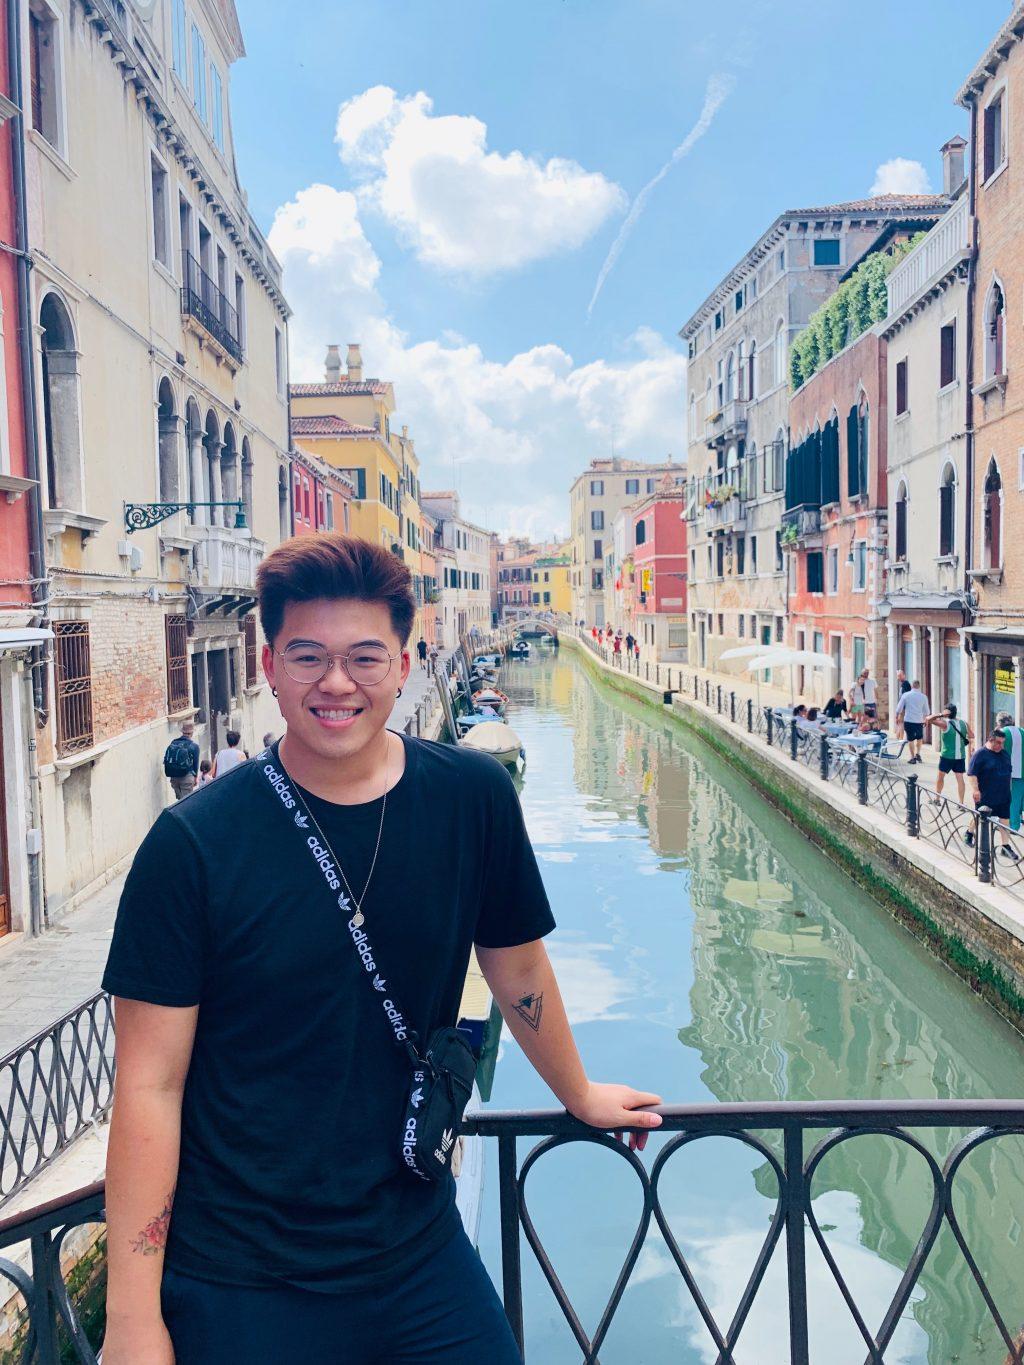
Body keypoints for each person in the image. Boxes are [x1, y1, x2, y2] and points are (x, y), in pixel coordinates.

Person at [101, 534, 661, 1365]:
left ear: (405, 662)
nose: (336, 682)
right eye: (308, 656)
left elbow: (518, 969)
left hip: (418, 1254)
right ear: (268, 665)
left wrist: (577, 1091)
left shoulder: (473, 799)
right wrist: (132, 1320)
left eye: (365, 656)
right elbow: (149, 1082)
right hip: (241, 1276)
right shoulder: (191, 847)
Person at [966, 730, 1019, 859]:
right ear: (990, 740)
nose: (1001, 746)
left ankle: (1005, 847)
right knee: (979, 816)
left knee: (1004, 819)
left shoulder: (1004, 754)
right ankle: (969, 833)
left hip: (1004, 794)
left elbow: (1009, 773)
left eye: (1003, 743)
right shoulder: (980, 754)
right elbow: (972, 774)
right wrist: (975, 790)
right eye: (998, 743)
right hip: (986, 794)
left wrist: (1009, 791)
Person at [926, 703, 972, 804]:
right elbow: (972, 735)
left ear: (947, 713)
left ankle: (937, 799)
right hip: (960, 756)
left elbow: (928, 719)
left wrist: (940, 714)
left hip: (947, 756)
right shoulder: (964, 723)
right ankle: (961, 803)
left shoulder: (945, 724)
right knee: (960, 779)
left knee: (940, 777)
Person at [996, 712, 1024, 832]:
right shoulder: (1022, 731)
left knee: (1011, 799)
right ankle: (1017, 819)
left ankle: (1012, 826)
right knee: (1019, 797)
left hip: (1010, 771)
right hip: (1022, 770)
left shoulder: (1002, 733)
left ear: (999, 723)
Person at [894, 679, 930, 764]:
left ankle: (912, 757)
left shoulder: (906, 695)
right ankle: (918, 753)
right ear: (919, 686)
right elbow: (927, 712)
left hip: (909, 720)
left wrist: (896, 716)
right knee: (919, 738)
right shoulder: (923, 696)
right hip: (919, 720)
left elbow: (899, 708)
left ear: (911, 686)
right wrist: (925, 719)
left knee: (910, 739)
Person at [162, 721, 199, 801]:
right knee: (186, 803)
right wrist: (195, 778)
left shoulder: (174, 742)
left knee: (180, 802)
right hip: (187, 778)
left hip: (174, 777)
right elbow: (195, 764)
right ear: (191, 733)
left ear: (182, 732)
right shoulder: (194, 746)